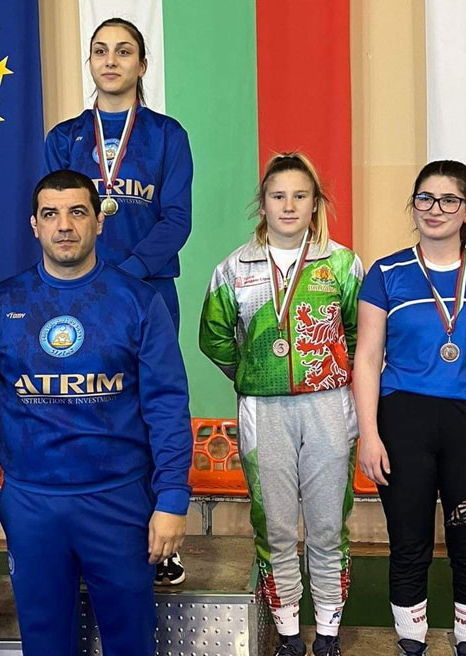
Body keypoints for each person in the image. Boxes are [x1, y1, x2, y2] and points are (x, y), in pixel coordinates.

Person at [0, 169, 192, 655]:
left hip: (119, 501)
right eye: (51, 214)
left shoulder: (138, 302)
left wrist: (172, 499)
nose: (64, 225)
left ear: (99, 221)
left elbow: (166, 405)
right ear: (34, 225)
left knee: (131, 643)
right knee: (45, 643)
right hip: (31, 504)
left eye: (77, 212)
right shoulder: (1, 303)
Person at [352, 160, 466, 656]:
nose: (435, 209)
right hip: (402, 420)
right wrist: (369, 433)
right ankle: (411, 641)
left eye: (449, 200)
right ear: (413, 205)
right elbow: (367, 358)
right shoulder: (386, 273)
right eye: (425, 198)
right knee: (408, 541)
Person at [44, 15, 193, 587]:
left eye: (123, 51)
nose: (111, 60)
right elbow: (53, 216)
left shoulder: (167, 135)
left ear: (142, 64)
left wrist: (123, 277)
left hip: (147, 294)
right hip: (77, 298)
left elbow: (176, 220)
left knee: (154, 409)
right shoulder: (64, 137)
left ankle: (162, 538)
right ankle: (89, 535)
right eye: (100, 51)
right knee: (85, 406)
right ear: (89, 63)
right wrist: (92, 282)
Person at [199, 152, 363, 656]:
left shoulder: (343, 263)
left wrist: (328, 371)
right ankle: (289, 633)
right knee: (274, 525)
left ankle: (328, 632)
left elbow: (359, 334)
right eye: (278, 196)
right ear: (263, 204)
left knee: (328, 524)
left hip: (329, 406)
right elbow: (214, 338)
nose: (289, 205)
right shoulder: (233, 268)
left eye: (300, 196)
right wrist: (252, 374)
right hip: (263, 410)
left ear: (315, 204)